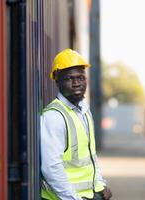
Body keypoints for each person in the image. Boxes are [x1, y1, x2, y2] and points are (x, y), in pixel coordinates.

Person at [40, 49, 112, 200]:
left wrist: (100, 184)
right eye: (69, 79)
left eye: (81, 77)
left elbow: (90, 155)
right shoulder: (54, 116)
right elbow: (51, 167)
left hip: (89, 195)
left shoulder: (84, 111)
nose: (77, 83)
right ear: (57, 80)